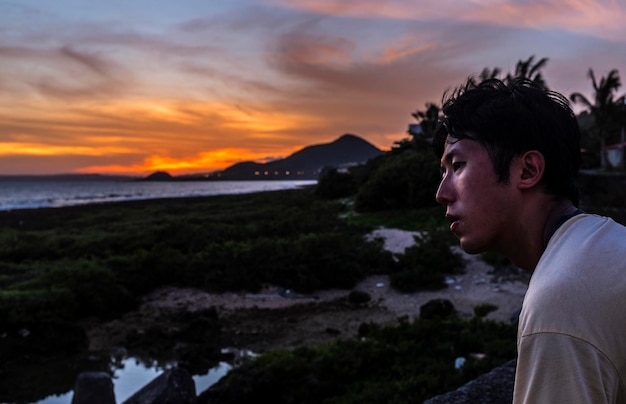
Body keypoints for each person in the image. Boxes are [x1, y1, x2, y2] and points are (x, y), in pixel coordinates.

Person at [434, 77, 626, 403]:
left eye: (458, 165)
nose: (442, 193)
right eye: (444, 172)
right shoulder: (608, 240)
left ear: (527, 170)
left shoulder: (561, 303)